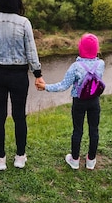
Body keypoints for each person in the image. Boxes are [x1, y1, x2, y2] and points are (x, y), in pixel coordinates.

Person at [0, 0, 45, 171]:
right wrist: (38, 74)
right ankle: (20, 157)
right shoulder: (24, 23)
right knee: (19, 116)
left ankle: (0, 159)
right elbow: (31, 52)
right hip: (18, 75)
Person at [38, 33, 105, 170]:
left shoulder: (75, 66)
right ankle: (91, 160)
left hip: (79, 102)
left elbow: (63, 85)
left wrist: (45, 87)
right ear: (96, 49)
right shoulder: (101, 64)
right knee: (94, 130)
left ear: (81, 48)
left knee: (77, 130)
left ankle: (74, 160)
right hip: (94, 102)